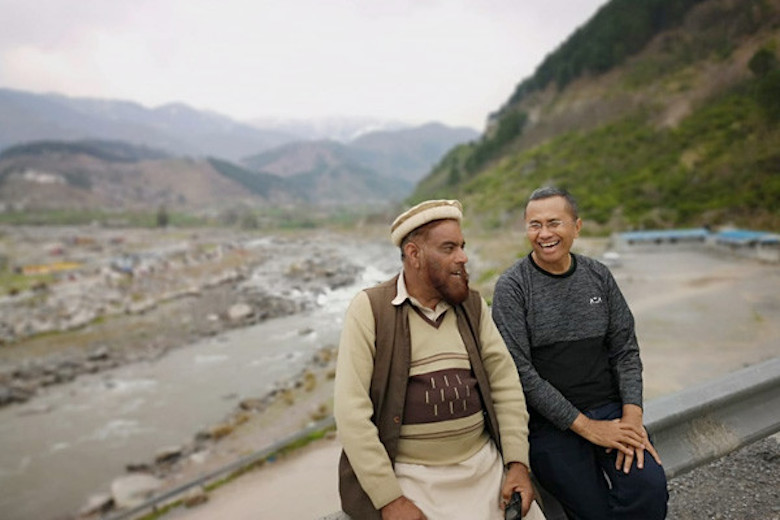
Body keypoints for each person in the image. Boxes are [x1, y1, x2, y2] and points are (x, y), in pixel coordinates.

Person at [334, 199, 545, 520]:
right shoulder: (370, 309)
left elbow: (506, 386)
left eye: (462, 246)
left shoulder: (473, 306)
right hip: (413, 480)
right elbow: (351, 413)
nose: (462, 257)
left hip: (485, 470)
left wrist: (517, 464)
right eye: (448, 248)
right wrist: (390, 499)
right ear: (414, 254)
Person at [491, 186, 669, 520]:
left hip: (611, 411)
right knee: (592, 511)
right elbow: (521, 373)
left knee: (649, 489)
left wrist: (631, 417)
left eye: (554, 223)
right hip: (550, 427)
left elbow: (625, 350)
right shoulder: (513, 288)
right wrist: (586, 427)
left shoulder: (598, 276)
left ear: (577, 226)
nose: (544, 234)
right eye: (534, 225)